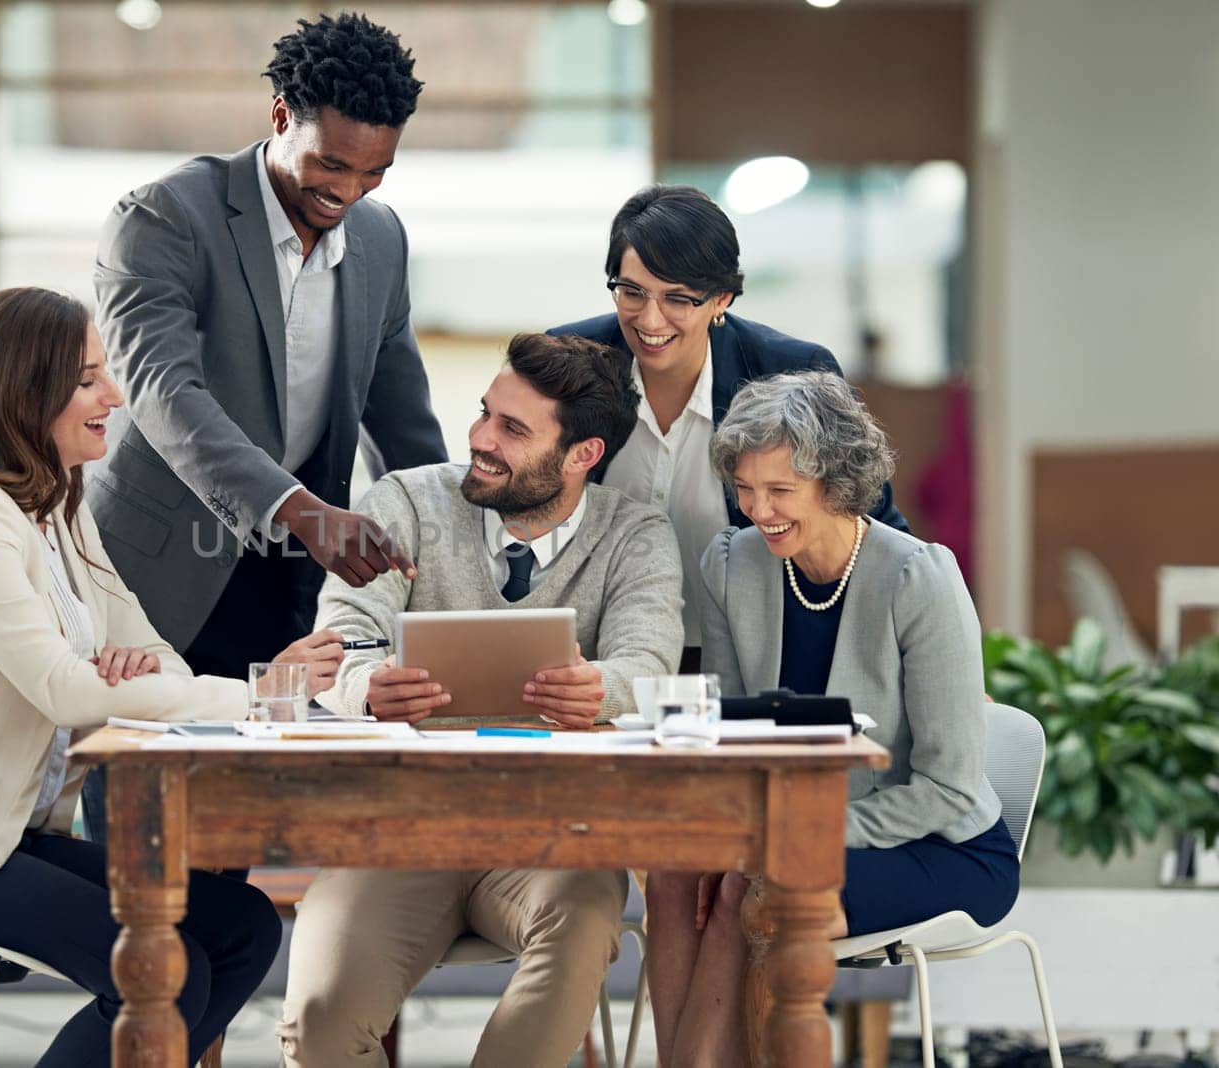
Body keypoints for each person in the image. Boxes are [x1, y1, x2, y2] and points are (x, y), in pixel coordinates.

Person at [0, 288, 337, 1067]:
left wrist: (113, 675)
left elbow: (156, 657)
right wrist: (264, 696)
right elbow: (61, 690)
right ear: (28, 391)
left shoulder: (57, 508)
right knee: (160, 975)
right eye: (89, 378)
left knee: (241, 926)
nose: (113, 397)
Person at [83, 10, 447, 843]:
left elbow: (404, 418)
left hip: (291, 582)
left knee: (233, 838)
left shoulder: (381, 242)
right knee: (144, 835)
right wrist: (301, 510)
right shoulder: (167, 218)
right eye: (330, 164)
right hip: (165, 571)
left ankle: (198, 971)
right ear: (281, 116)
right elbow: (162, 393)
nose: (348, 192)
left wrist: (456, 532)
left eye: (374, 173)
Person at [277, 333, 684, 1068]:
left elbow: (646, 662)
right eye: (485, 414)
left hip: (555, 838)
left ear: (582, 455)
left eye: (513, 429)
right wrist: (368, 688)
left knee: (588, 921)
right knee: (317, 1022)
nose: (480, 439)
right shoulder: (405, 501)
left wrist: (602, 689)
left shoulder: (636, 535)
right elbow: (342, 636)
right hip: (397, 836)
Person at [643, 372, 1018, 1067]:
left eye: (780, 491)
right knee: (674, 873)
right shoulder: (730, 565)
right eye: (746, 489)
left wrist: (787, 835)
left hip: (939, 846)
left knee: (756, 890)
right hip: (789, 829)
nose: (758, 509)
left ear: (836, 481)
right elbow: (735, 737)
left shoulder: (918, 579)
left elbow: (950, 790)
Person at [551, 184, 909, 672]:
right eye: (632, 291)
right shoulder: (571, 358)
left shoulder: (790, 371)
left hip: (746, 657)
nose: (649, 318)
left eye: (677, 298)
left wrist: (934, 649)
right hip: (596, 657)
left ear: (721, 298)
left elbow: (869, 519)